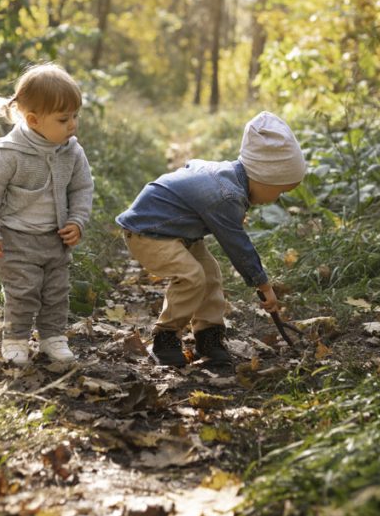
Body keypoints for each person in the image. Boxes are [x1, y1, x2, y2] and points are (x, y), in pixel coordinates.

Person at [116, 111, 306, 367]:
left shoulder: (227, 178)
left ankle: (208, 335)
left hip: (178, 233)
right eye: (280, 190)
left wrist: (225, 215)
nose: (278, 197)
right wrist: (263, 285)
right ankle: (165, 337)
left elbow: (193, 172)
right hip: (147, 231)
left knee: (211, 274)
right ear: (264, 176)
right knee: (192, 276)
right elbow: (238, 247)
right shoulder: (227, 196)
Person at [0, 63, 94, 366]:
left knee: (56, 291)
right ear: (33, 120)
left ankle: (53, 337)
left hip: (55, 238)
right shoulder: (8, 154)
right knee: (23, 292)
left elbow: (82, 188)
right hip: (16, 238)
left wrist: (77, 221)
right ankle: (15, 339)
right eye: (63, 119)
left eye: (75, 116)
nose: (72, 125)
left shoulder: (72, 151)